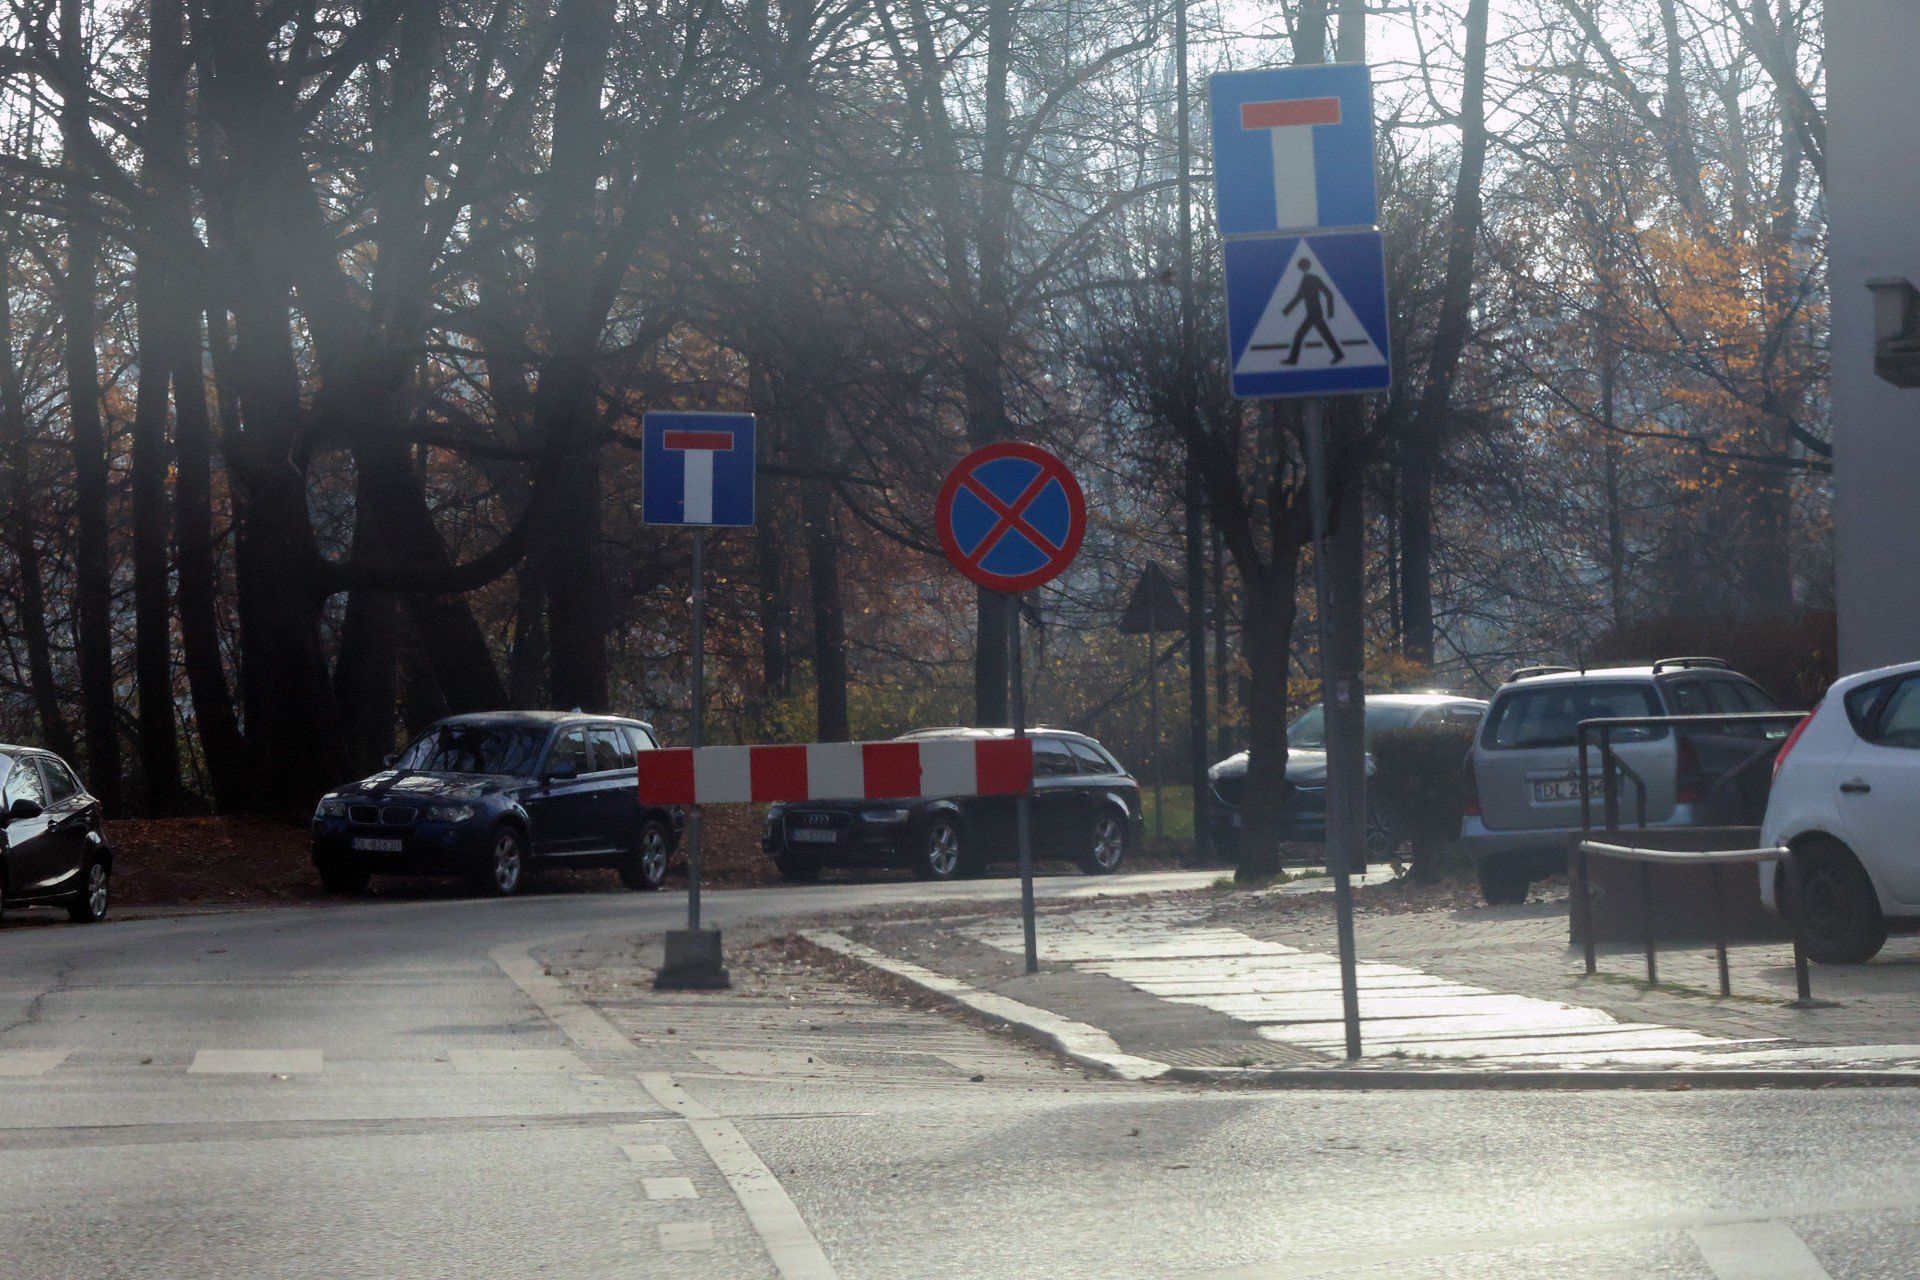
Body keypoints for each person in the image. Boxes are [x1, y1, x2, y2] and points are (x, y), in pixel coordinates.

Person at [1282, 258, 1344, 365]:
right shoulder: (1309, 279)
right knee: (1325, 334)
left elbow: (1328, 294)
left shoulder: (1311, 279)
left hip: (1314, 313)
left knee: (1300, 335)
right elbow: (1300, 296)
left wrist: (1330, 312)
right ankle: (1338, 354)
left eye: (1301, 266)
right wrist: (1287, 310)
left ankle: (1293, 360)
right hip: (1313, 313)